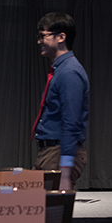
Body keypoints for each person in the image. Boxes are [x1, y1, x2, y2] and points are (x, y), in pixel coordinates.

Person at [33, 12, 89, 192]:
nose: (39, 41)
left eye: (43, 36)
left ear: (61, 37)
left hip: (58, 154)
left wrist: (64, 173)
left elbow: (71, 123)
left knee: (51, 215)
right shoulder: (61, 70)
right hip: (51, 154)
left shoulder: (69, 72)